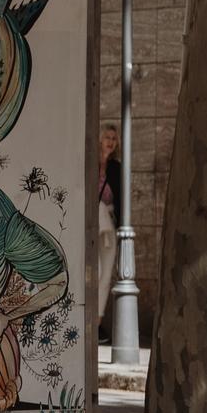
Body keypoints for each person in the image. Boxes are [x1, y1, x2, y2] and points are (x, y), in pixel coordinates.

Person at [97, 123, 123, 333]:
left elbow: (122, 199)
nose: (110, 142)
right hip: (91, 226)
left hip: (109, 226)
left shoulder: (116, 168)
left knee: (105, 275)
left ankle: (96, 323)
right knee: (93, 272)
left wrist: (123, 229)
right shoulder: (90, 162)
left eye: (114, 138)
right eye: (107, 137)